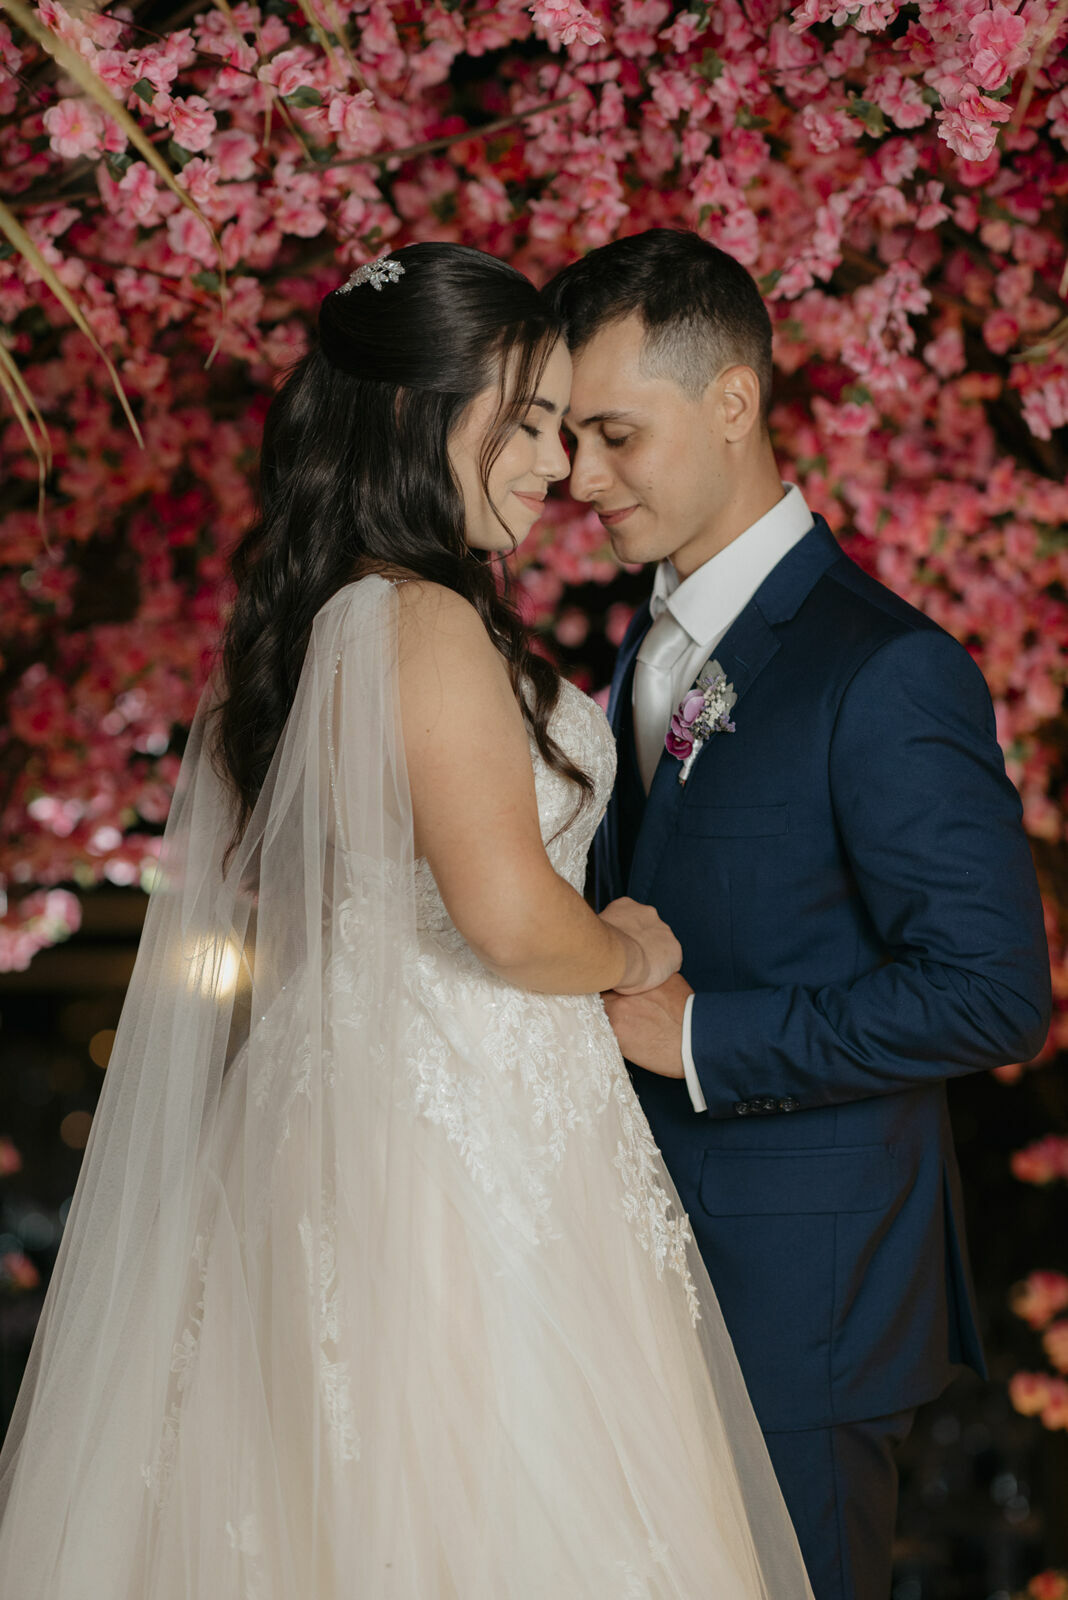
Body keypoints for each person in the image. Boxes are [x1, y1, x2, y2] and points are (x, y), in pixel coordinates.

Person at [0, 242, 813, 1599]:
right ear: (421, 411)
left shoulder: (339, 618)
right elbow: (505, 921)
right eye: (532, 421)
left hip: (375, 1123)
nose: (557, 467)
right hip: (460, 1149)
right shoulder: (420, 622)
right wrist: (632, 946)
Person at [544, 227, 1052, 1600]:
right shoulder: (646, 648)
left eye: (612, 434)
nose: (577, 478)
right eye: (565, 436)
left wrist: (706, 1038)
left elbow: (995, 990)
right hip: (638, 1273)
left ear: (731, 402)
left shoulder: (882, 671)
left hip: (800, 1311)